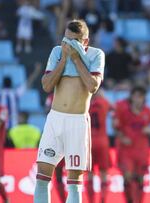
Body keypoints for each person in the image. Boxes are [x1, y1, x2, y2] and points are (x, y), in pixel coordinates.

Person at [35, 19, 105, 203]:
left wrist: (75, 57)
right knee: (42, 176)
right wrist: (65, 58)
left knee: (74, 183)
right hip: (55, 120)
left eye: (74, 40)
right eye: (66, 40)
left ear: (85, 42)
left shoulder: (97, 55)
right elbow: (47, 85)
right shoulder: (57, 52)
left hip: (77, 122)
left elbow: (92, 86)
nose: (67, 44)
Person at [114, 86, 150, 203]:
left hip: (142, 150)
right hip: (127, 151)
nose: (138, 99)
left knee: (140, 179)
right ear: (132, 97)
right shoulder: (124, 111)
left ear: (144, 98)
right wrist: (122, 138)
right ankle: (129, 200)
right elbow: (116, 128)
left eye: (141, 97)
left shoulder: (148, 111)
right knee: (127, 177)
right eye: (136, 96)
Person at [0, 62, 42, 129]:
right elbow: (28, 82)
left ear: (3, 84)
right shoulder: (15, 93)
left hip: (1, 125)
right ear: (11, 84)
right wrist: (36, 71)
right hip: (14, 126)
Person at [87, 89, 112, 203]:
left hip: (87, 142)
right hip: (102, 142)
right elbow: (115, 109)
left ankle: (91, 201)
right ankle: (103, 200)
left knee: (90, 174)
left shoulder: (83, 104)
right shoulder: (103, 102)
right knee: (103, 174)